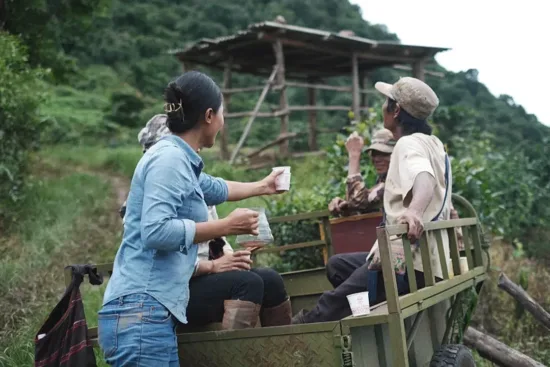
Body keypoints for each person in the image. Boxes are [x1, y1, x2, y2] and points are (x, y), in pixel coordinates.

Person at [98, 71, 283, 367]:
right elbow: (156, 231)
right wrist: (226, 225)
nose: (223, 122)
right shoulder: (169, 159)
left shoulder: (181, 159)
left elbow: (217, 188)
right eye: (222, 113)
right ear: (209, 115)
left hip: (151, 314)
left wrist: (263, 186)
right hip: (141, 314)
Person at [293, 76, 452, 324]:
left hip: (408, 265)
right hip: (428, 261)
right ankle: (368, 304)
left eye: (386, 102)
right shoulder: (435, 144)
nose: (382, 108)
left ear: (396, 110)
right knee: (338, 266)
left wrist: (414, 212)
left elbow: (425, 177)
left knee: (329, 306)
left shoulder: (407, 143)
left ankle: (299, 333)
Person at [129, 114, 291, 330]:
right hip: (171, 289)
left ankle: (284, 352)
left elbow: (218, 236)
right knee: (247, 283)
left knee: (270, 279)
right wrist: (213, 267)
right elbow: (160, 259)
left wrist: (233, 258)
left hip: (203, 278)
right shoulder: (150, 198)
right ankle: (238, 355)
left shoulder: (193, 184)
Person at [328, 128, 395, 217]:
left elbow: (358, 202)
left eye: (384, 153)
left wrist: (354, 156)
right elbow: (363, 201)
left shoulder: (396, 180)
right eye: (374, 154)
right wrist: (345, 206)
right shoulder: (383, 179)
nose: (377, 159)